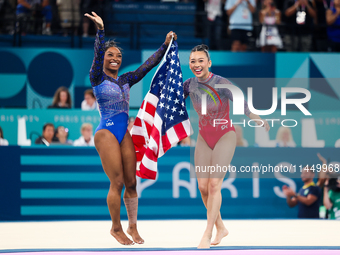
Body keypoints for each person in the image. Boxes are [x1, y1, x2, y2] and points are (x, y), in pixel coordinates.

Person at [85, 11, 177, 245]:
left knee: (132, 182)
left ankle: (133, 227)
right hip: (105, 131)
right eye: (110, 55)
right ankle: (116, 228)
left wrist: (165, 45)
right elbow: (97, 54)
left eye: (118, 55)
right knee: (116, 182)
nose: (114, 58)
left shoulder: (125, 79)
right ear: (103, 58)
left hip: (123, 132)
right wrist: (101, 31)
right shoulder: (96, 77)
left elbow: (148, 66)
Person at [183, 44, 270, 248]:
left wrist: (258, 119)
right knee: (202, 187)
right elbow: (172, 103)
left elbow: (244, 105)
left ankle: (207, 232)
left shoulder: (222, 83)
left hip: (225, 135)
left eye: (200, 60)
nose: (196, 64)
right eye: (192, 61)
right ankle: (221, 226)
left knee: (214, 184)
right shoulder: (188, 85)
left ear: (209, 63)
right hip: (204, 136)